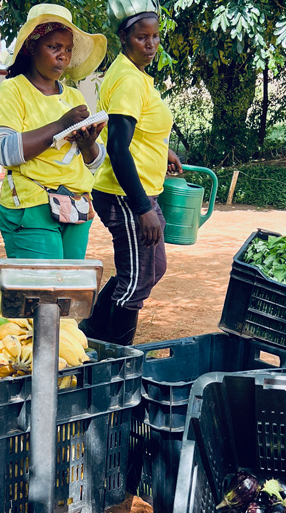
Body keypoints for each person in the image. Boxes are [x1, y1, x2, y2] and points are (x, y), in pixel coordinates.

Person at [79, 0, 183, 346]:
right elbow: (118, 147)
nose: (151, 45)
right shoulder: (128, 80)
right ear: (124, 37)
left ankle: (91, 333)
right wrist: (142, 208)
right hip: (125, 196)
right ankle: (115, 356)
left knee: (150, 270)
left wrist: (161, 150)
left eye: (155, 37)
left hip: (138, 192)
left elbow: (134, 132)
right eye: (142, 38)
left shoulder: (134, 74)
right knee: (136, 282)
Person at [0, 4, 107, 259]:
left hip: (76, 206)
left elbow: (95, 163)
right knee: (45, 282)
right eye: (54, 47)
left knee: (70, 283)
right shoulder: (11, 92)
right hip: (31, 205)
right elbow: (4, 151)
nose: (63, 56)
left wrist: (88, 144)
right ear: (32, 47)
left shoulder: (73, 96)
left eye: (68, 49)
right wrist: (61, 125)